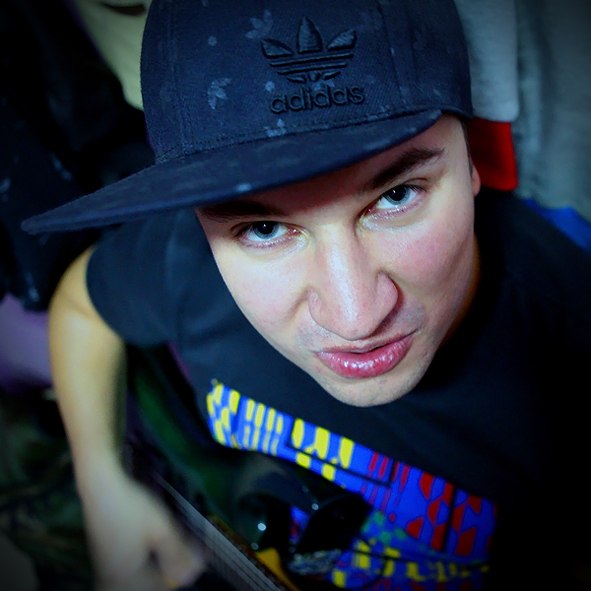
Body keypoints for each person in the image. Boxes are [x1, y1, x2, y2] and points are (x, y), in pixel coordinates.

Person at [22, 0, 591, 590]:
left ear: (472, 161)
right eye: (265, 229)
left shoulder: (568, 345)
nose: (355, 318)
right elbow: (83, 306)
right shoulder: (185, 258)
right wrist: (102, 486)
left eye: (397, 196)